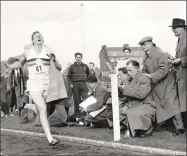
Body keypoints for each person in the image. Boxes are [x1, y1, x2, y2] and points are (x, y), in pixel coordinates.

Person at [6, 31, 61, 146]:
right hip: (34, 84)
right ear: (32, 41)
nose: (40, 37)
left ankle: (25, 105)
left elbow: (59, 68)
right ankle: (50, 138)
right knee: (43, 108)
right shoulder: (27, 53)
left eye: (41, 36)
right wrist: (8, 66)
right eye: (37, 36)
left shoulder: (49, 51)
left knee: (39, 109)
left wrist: (54, 60)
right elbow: (20, 65)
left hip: (46, 84)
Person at [139, 36, 185, 136]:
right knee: (159, 105)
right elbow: (145, 70)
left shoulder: (159, 53)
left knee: (172, 104)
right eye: (141, 45)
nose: (143, 46)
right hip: (156, 84)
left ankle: (180, 128)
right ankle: (160, 125)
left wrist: (151, 76)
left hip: (167, 83)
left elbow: (164, 69)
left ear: (151, 43)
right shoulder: (145, 56)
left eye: (145, 44)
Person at [169, 18, 186, 117]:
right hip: (181, 74)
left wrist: (180, 60)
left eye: (175, 28)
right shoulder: (180, 38)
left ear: (182, 28)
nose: (173, 30)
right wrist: (174, 59)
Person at [68, 53, 90, 120]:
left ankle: (85, 115)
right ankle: (77, 115)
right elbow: (69, 76)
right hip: (75, 84)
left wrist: (87, 82)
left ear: (81, 58)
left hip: (83, 84)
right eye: (77, 57)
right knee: (77, 100)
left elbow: (88, 74)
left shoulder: (85, 66)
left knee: (85, 99)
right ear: (75, 58)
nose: (78, 58)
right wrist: (70, 84)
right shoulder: (72, 66)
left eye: (79, 57)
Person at [7, 57, 28, 122]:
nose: (16, 64)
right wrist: (9, 88)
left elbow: (28, 78)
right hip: (17, 90)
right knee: (19, 104)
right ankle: (21, 117)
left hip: (25, 89)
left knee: (24, 103)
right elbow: (9, 81)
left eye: (17, 62)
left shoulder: (24, 69)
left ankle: (24, 118)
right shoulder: (11, 72)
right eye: (14, 63)